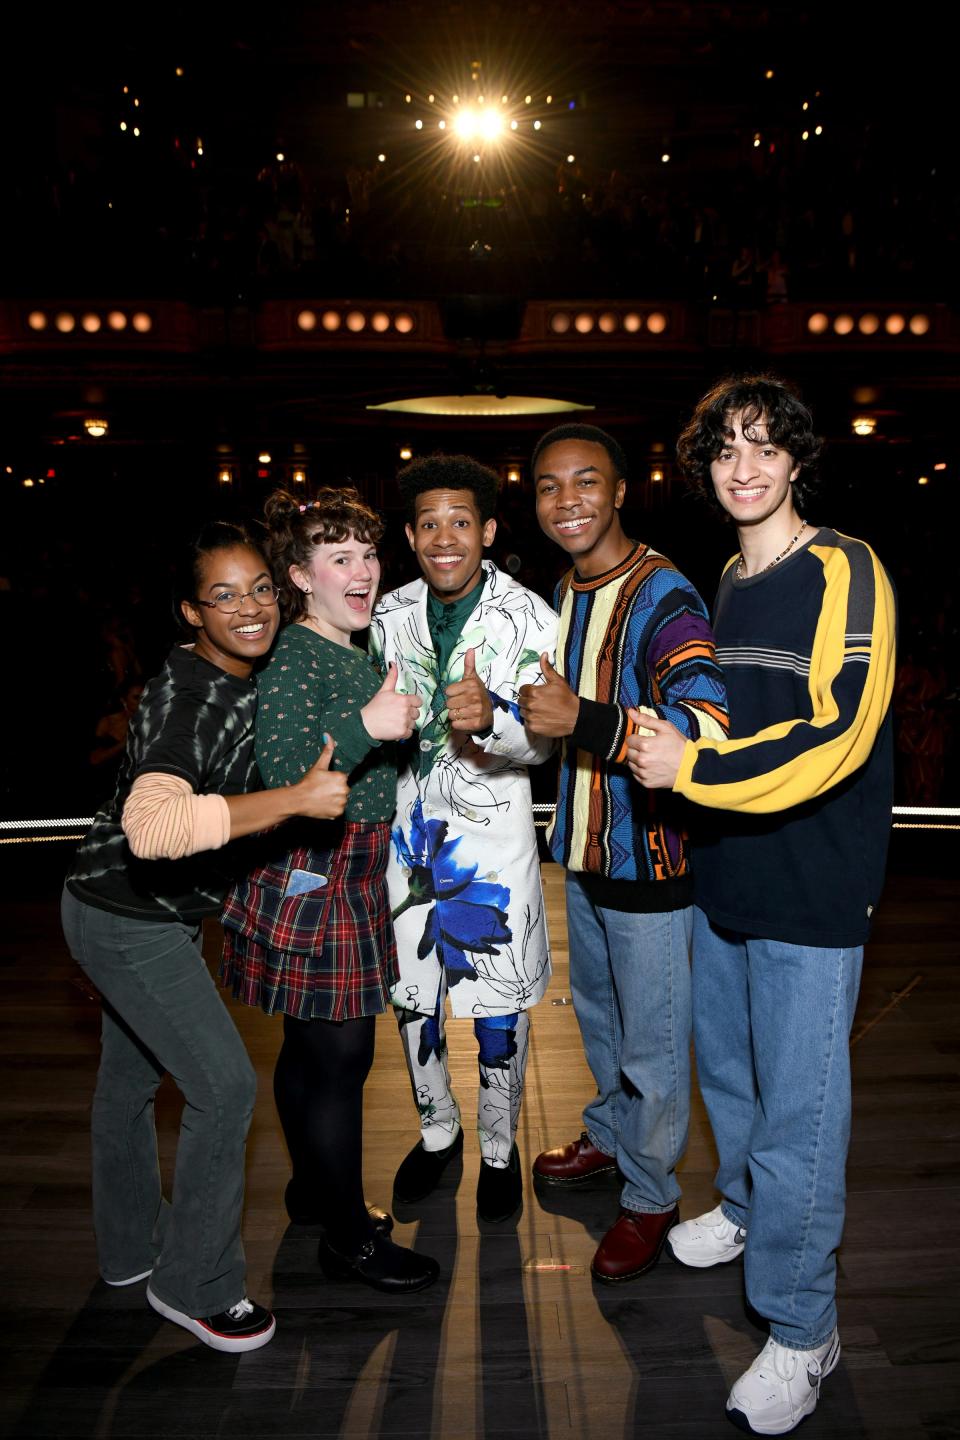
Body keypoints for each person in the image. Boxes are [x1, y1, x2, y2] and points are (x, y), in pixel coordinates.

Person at [627, 375, 895, 1435]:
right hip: (726, 873)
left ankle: (802, 1325)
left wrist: (692, 763)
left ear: (795, 461)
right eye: (726, 449)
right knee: (731, 1083)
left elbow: (836, 731)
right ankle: (742, 1211)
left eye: (764, 447)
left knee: (801, 1115)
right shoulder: (726, 583)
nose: (744, 467)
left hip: (815, 887)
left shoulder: (848, 568)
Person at [61, 522, 350, 1352]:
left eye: (260, 587)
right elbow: (152, 827)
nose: (250, 607)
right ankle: (196, 1283)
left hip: (121, 906)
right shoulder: (189, 693)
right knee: (224, 1088)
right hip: (127, 920)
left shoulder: (239, 673)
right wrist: (293, 800)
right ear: (192, 611)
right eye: (223, 596)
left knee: (127, 1085)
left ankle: (127, 1250)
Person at [518, 423, 728, 1282]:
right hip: (586, 851)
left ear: (618, 492)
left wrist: (591, 723)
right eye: (547, 487)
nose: (567, 500)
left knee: (651, 1045)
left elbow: (708, 722)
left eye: (584, 482)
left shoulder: (663, 593)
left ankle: (650, 1196)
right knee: (603, 1026)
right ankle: (612, 1139)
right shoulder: (566, 590)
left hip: (651, 862)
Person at [220, 488, 439, 1294]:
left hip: (348, 867)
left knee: (311, 1049)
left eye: (368, 554)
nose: (363, 570)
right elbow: (286, 777)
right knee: (341, 1057)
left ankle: (315, 1191)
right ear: (299, 577)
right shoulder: (293, 657)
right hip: (316, 871)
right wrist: (368, 730)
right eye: (339, 556)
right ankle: (347, 1237)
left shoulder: (356, 647)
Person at [370, 454, 558, 1223]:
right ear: (411, 537)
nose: (444, 537)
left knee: (497, 1013)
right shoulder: (384, 616)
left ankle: (498, 1151)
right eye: (428, 524)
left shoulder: (530, 617)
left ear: (485, 531)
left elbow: (546, 744)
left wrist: (497, 721)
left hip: (494, 844)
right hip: (408, 847)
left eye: (460, 522)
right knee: (416, 1002)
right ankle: (439, 1131)